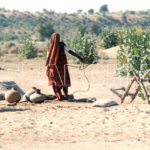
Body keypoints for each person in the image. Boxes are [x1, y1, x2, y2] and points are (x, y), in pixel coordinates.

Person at [45, 33, 84, 101]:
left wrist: (48, 66)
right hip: (63, 66)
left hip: (54, 68)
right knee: (64, 79)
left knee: (56, 82)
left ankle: (59, 96)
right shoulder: (62, 45)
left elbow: (48, 57)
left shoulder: (50, 47)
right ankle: (65, 95)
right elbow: (70, 51)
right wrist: (78, 57)